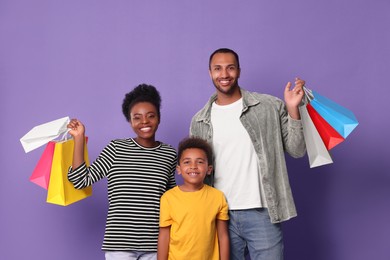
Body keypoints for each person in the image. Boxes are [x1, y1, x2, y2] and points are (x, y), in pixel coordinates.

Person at [190, 48, 306, 259]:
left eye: (230, 68)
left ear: (239, 71)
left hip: (262, 212)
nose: (224, 74)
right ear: (210, 73)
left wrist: (293, 109)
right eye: (218, 69)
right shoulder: (199, 120)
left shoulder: (268, 106)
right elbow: (195, 173)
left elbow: (297, 151)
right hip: (219, 215)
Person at [67, 84, 177, 260]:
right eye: (137, 117)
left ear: (159, 118)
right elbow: (81, 180)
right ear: (130, 121)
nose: (145, 122)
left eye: (151, 116)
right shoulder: (116, 149)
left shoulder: (169, 153)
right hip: (120, 245)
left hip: (156, 245)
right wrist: (79, 138)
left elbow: (173, 198)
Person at [157, 137, 230, 260]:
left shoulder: (218, 197)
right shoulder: (168, 198)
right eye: (187, 162)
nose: (193, 166)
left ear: (209, 169)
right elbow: (164, 236)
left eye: (200, 162)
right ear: (179, 169)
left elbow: (223, 236)